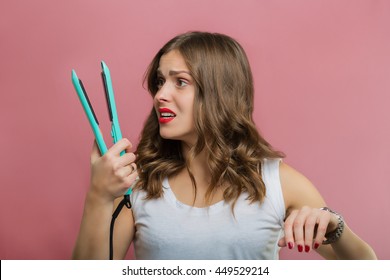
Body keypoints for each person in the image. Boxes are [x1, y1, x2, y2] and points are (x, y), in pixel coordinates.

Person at [72, 31, 377, 260]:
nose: (160, 95)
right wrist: (98, 195)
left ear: (220, 92)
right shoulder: (138, 185)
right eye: (160, 81)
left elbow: (368, 268)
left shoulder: (278, 183)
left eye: (180, 82)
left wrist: (335, 227)